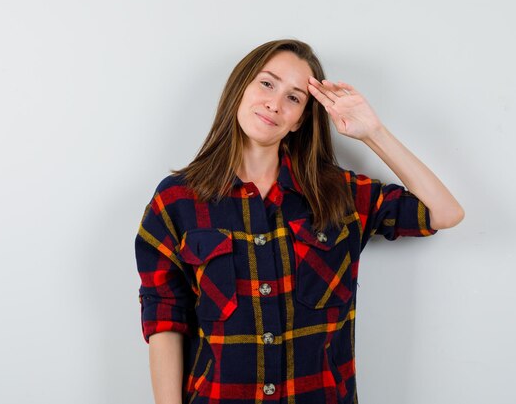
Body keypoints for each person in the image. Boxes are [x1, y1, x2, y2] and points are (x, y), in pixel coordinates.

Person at [134, 39, 464, 404]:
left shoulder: (339, 194)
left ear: (300, 120)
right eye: (267, 83)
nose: (275, 104)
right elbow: (165, 318)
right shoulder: (177, 200)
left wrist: (373, 133)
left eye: (294, 98)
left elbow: (445, 213)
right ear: (239, 88)